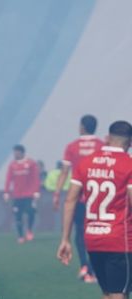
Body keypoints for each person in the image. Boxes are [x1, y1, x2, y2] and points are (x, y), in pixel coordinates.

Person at [57, 120, 132, 299]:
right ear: (129, 143)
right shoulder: (128, 164)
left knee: (107, 294)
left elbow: (70, 200)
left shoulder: (86, 163)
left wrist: (65, 239)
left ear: (107, 137)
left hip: (93, 238)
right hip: (120, 240)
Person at [54, 114, 102, 282]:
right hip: (98, 198)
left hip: (79, 198)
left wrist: (57, 193)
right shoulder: (102, 145)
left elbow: (64, 172)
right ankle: (93, 268)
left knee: (80, 233)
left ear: (82, 127)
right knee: (97, 233)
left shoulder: (72, 147)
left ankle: (84, 267)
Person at [4, 144, 41, 243]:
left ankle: (29, 230)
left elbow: (36, 178)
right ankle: (20, 236)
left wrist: (36, 191)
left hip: (29, 195)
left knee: (31, 212)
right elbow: (8, 179)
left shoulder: (31, 163)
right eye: (14, 152)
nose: (15, 154)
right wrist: (6, 192)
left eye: (17, 152)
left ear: (22, 153)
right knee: (17, 215)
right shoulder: (12, 165)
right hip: (17, 195)